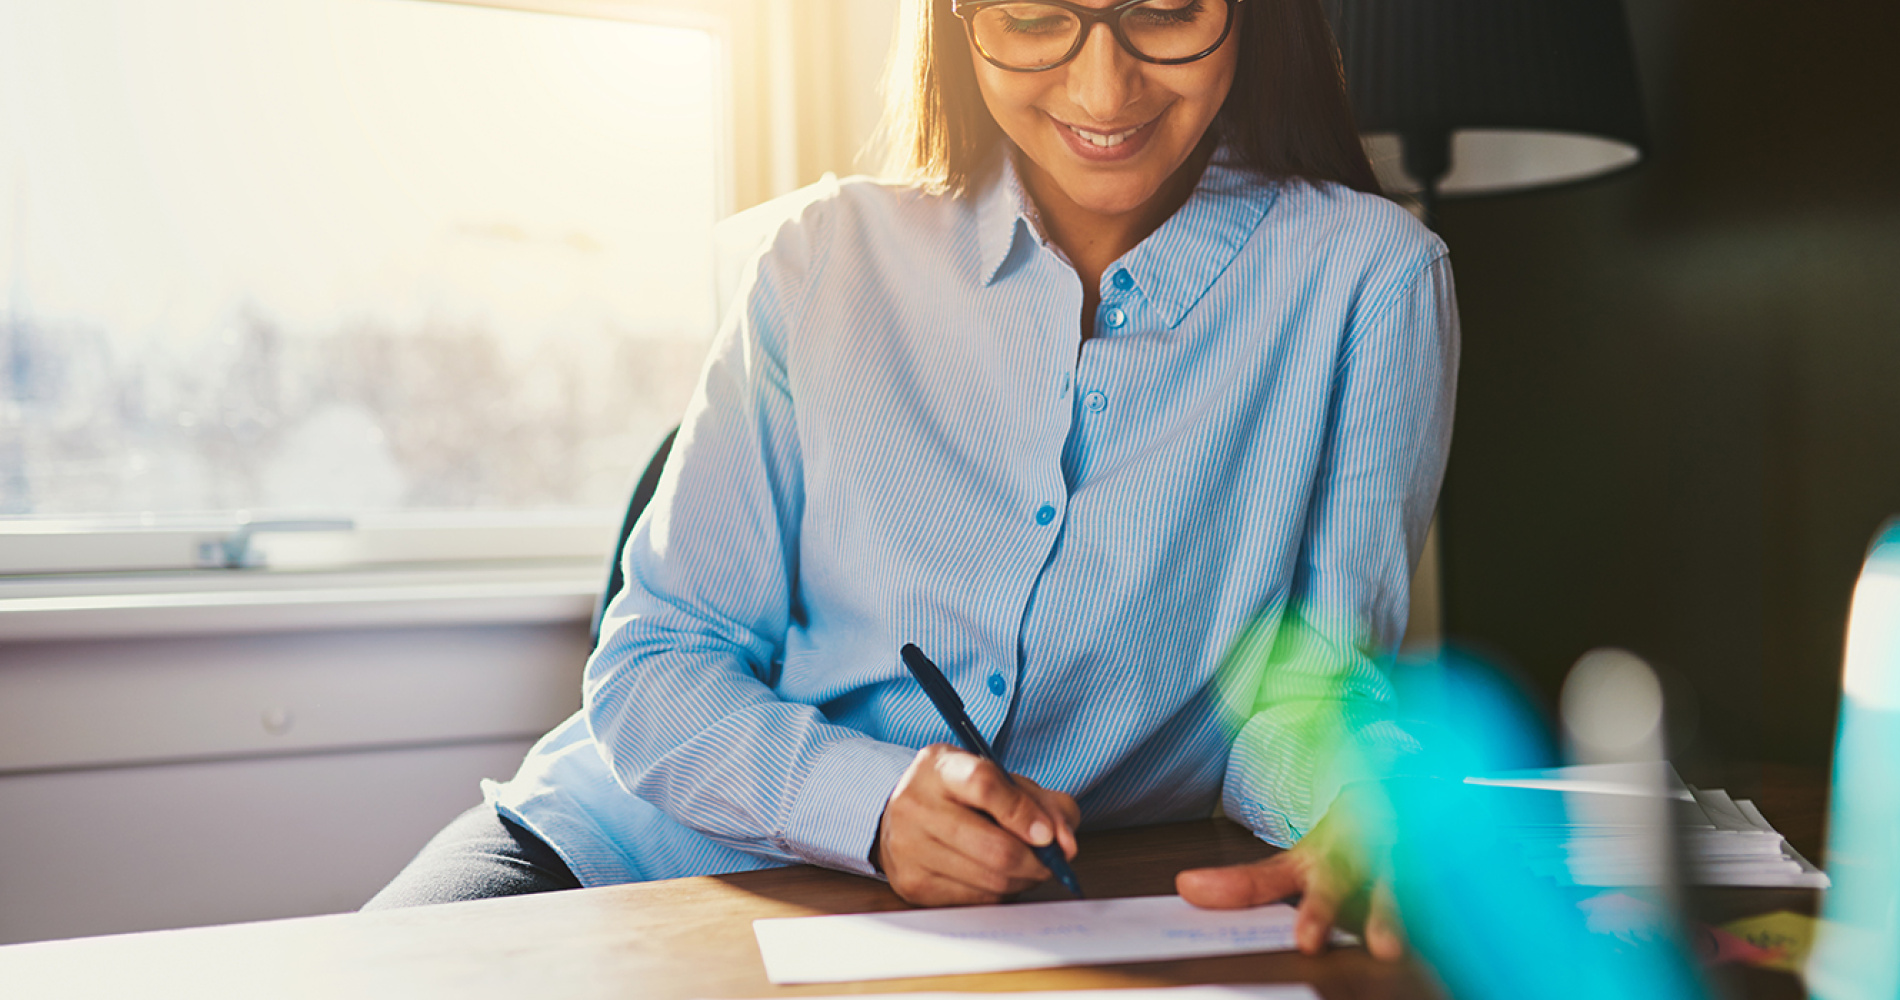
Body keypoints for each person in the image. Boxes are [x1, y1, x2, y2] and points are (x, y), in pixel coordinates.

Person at [367, 0, 1457, 960]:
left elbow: (1309, 698)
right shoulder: (821, 257)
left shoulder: (1370, 281)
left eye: (1165, 11)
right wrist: (871, 804)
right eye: (1033, 18)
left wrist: (1366, 805)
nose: (1101, 86)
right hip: (630, 848)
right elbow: (654, 665)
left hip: (1049, 920)